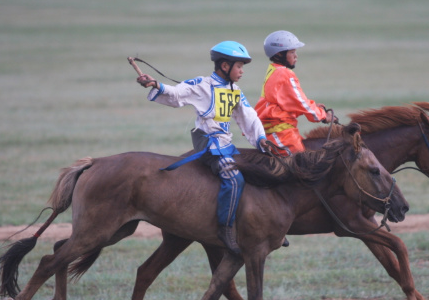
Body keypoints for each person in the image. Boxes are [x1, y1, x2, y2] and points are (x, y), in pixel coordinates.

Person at [136, 41, 268, 256]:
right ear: (225, 66)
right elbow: (177, 93)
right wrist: (155, 85)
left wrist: (261, 139)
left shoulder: (235, 90)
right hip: (208, 142)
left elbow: (248, 116)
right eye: (239, 66)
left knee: (260, 170)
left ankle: (261, 228)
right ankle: (224, 230)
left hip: (225, 144)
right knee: (234, 178)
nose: (242, 71)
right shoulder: (202, 85)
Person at [255, 30, 335, 156]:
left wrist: (316, 110)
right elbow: (302, 103)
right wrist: (323, 116)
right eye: (292, 52)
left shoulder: (273, 70)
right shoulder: (285, 74)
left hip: (281, 130)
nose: (296, 56)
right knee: (301, 163)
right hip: (280, 133)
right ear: (279, 54)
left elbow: (287, 104)